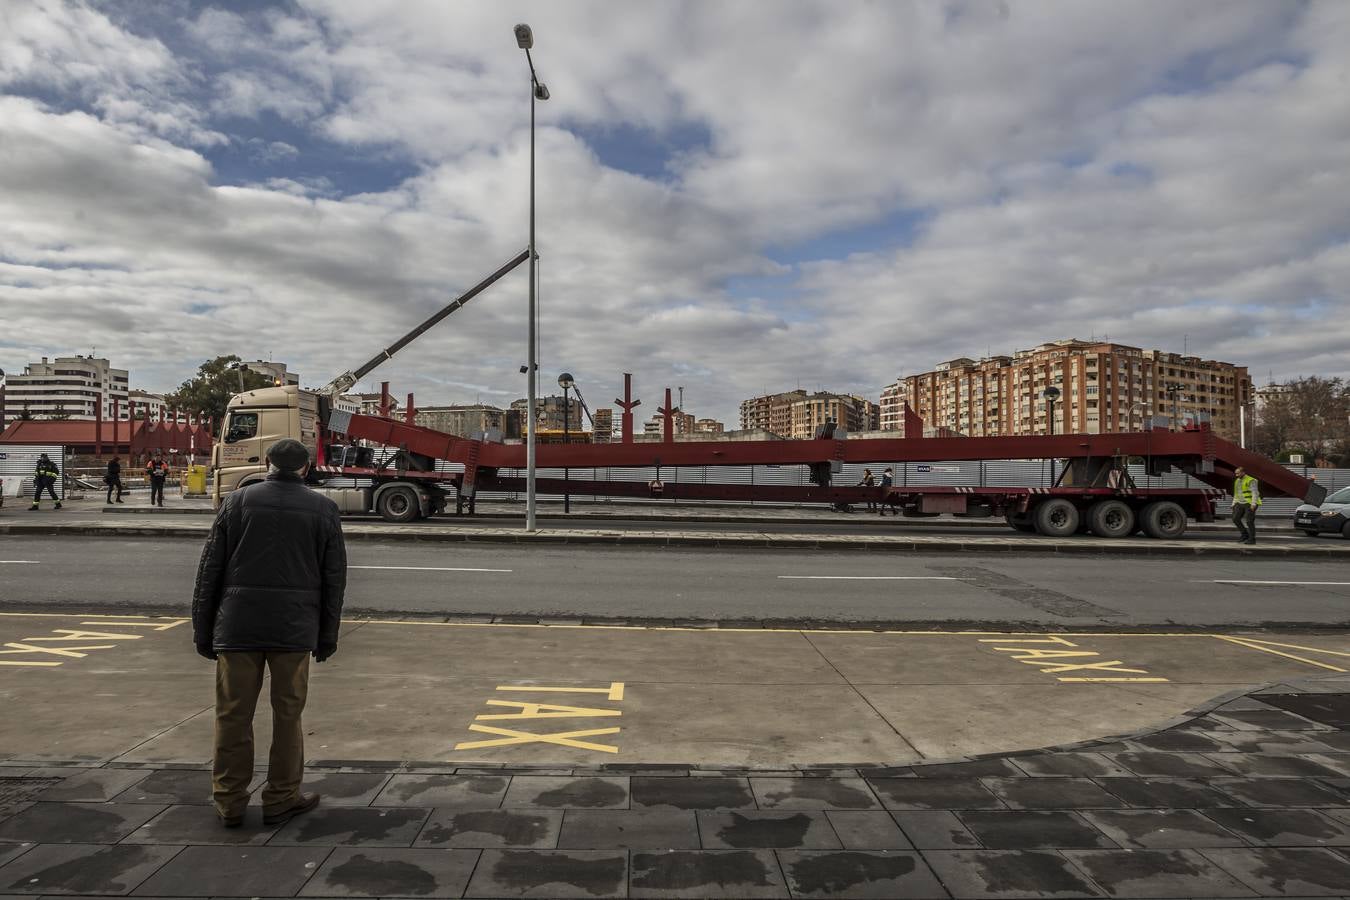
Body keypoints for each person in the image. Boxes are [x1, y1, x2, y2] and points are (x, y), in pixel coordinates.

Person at [192, 438, 347, 829]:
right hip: (294, 629)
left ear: (266, 463)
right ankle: (281, 796)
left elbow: (209, 569)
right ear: (306, 468)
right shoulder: (324, 509)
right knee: (288, 716)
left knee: (232, 715)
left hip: (238, 625)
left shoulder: (237, 502)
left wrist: (203, 628)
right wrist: (327, 636)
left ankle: (229, 800)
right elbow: (334, 580)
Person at [1232, 465, 1261, 545]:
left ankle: (1252, 539)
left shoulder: (1251, 480)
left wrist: (1253, 504)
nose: (1236, 475)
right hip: (1240, 502)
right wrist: (1233, 503)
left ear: (1243, 472)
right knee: (1235, 518)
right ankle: (1244, 535)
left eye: (1238, 473)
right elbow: (1236, 493)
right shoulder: (1237, 481)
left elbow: (1255, 493)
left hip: (1249, 503)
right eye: (1236, 473)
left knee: (1249, 521)